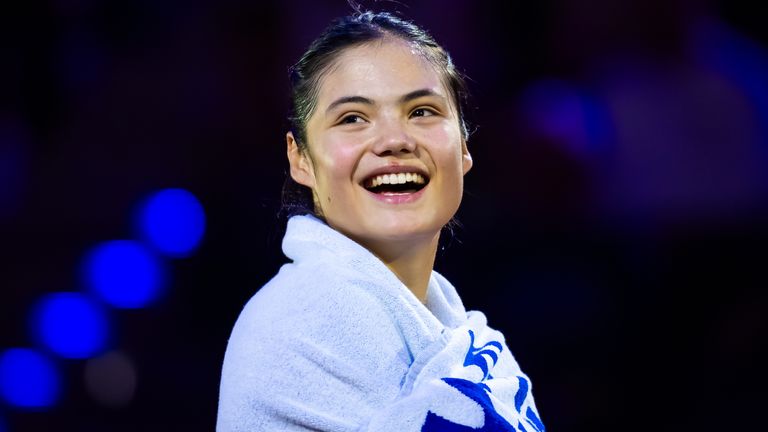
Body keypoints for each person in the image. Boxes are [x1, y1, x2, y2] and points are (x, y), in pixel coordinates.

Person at [217, 10, 545, 432]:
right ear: (300, 158)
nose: (395, 140)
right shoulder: (298, 322)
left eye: (422, 112)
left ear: (463, 147)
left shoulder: (477, 351)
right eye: (352, 118)